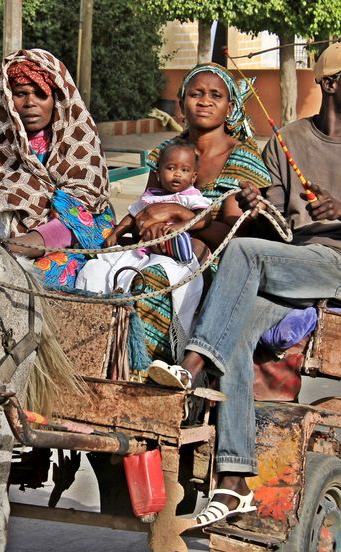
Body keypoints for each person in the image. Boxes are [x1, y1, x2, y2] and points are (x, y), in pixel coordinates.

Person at [150, 42, 341, 529]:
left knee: (241, 254)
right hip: (288, 262)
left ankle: (191, 365)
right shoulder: (289, 139)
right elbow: (274, 219)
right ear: (328, 84)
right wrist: (253, 200)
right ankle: (234, 483)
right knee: (234, 340)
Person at [128, 63, 270, 366]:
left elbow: (232, 238)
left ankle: (149, 373)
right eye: (196, 94)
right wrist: (152, 227)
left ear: (230, 107)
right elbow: (147, 208)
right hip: (156, 249)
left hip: (215, 264)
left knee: (152, 280)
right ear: (181, 103)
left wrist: (183, 217)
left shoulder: (242, 157)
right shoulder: (165, 152)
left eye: (215, 96)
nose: (205, 101)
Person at [0, 49, 115, 287]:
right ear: (7, 97)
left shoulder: (78, 143)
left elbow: (77, 218)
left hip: (65, 246)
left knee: (40, 279)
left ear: (56, 98)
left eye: (40, 94)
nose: (30, 103)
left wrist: (17, 246)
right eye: (21, 94)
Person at [74, 142, 209, 367]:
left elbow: (205, 217)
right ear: (158, 172)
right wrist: (116, 233)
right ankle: (97, 331)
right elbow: (131, 216)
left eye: (184, 170)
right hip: (143, 250)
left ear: (193, 176)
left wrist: (182, 224)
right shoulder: (150, 196)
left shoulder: (189, 197)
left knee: (153, 276)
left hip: (172, 253)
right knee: (97, 269)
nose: (177, 174)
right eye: (171, 168)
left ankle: (148, 352)